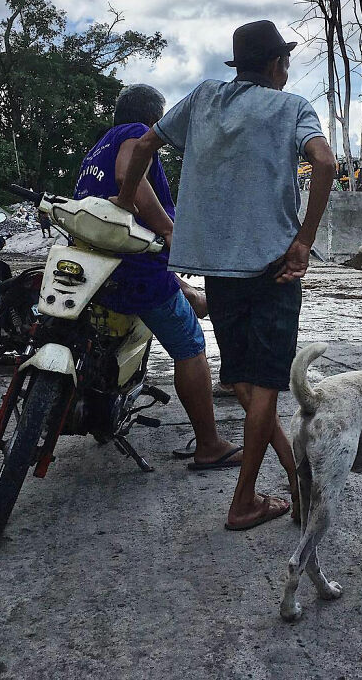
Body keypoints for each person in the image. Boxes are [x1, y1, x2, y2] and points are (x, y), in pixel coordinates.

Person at [112, 20, 336, 531]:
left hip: (217, 267)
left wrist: (126, 208)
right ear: (277, 65)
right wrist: (304, 239)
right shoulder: (293, 107)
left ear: (240, 66)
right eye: (285, 62)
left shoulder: (205, 97)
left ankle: (292, 478)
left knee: (242, 379)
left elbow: (144, 150)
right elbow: (323, 161)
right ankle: (243, 501)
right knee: (264, 385)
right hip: (274, 267)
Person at [74, 84, 242, 470]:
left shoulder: (97, 147)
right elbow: (126, 179)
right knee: (190, 345)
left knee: (181, 291)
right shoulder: (136, 135)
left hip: (99, 264)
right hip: (134, 266)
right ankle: (209, 444)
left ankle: (191, 296)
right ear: (153, 119)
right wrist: (169, 230)